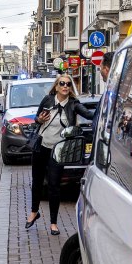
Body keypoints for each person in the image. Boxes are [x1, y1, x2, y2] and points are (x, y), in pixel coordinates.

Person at [25, 74, 93, 236]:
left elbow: (89, 115)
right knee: (37, 182)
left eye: (68, 84)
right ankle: (34, 212)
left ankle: (53, 223)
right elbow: (36, 119)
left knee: (54, 186)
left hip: (59, 150)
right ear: (56, 86)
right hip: (41, 146)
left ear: (70, 88)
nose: (65, 86)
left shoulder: (74, 104)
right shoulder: (48, 100)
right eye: (62, 83)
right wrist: (39, 119)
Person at [91, 51, 114, 137]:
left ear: (106, 69)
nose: (100, 70)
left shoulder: (111, 94)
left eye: (101, 67)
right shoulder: (110, 90)